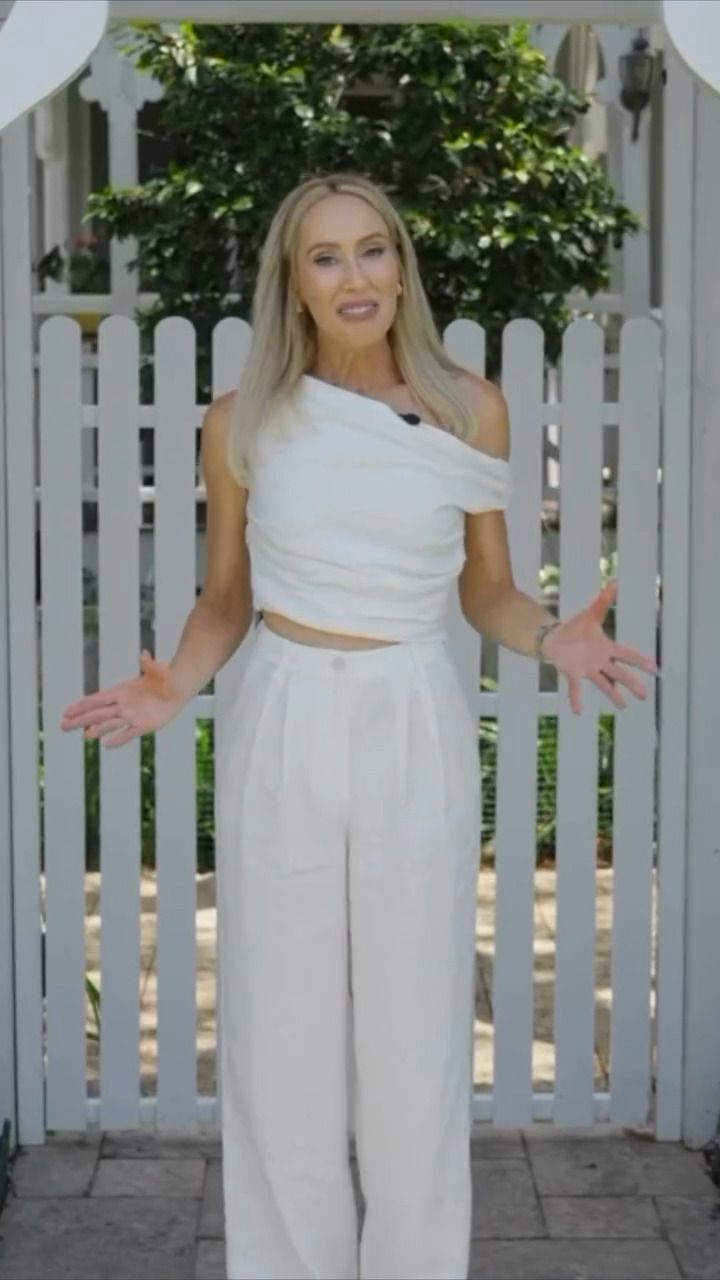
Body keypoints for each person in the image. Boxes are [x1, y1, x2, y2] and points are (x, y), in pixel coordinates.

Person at [60, 172, 659, 1280]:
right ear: (293, 279)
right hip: (283, 711)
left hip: (411, 711)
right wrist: (172, 685)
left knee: (414, 1034)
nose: (356, 277)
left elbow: (487, 590)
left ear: (401, 266)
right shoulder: (240, 421)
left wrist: (549, 637)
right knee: (279, 1036)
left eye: (373, 249)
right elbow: (227, 596)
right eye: (327, 256)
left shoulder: (470, 407)